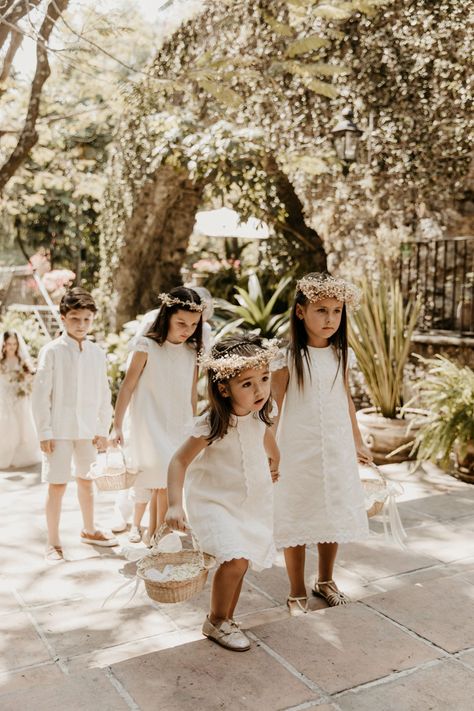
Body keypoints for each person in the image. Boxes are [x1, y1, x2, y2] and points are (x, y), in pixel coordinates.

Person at [166, 334, 279, 652]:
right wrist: (175, 505)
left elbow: (265, 437)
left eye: (264, 379)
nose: (259, 390)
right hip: (213, 501)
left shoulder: (259, 414)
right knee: (235, 560)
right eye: (247, 383)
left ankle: (226, 618)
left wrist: (276, 457)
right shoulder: (212, 424)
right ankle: (216, 621)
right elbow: (178, 461)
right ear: (223, 387)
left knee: (241, 562)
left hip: (248, 501)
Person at [271, 273, 372, 616]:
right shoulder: (286, 357)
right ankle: (296, 588)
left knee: (333, 510)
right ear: (300, 312)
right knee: (297, 510)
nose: (330, 319)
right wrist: (269, 448)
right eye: (321, 311)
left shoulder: (342, 353)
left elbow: (345, 398)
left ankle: (325, 579)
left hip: (336, 443)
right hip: (297, 447)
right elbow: (274, 407)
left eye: (336, 311)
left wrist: (357, 441)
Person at [111, 287, 203, 544]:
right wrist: (117, 425)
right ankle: (159, 539)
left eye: (194, 325)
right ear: (166, 317)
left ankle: (155, 537)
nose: (187, 330)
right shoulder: (146, 346)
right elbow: (127, 386)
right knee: (163, 481)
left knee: (165, 484)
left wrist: (193, 425)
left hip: (179, 423)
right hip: (150, 424)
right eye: (181, 322)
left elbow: (192, 393)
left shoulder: (192, 351)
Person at [32, 287, 117, 562]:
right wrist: (44, 431)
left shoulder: (96, 352)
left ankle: (89, 528)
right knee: (57, 484)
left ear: (93, 320)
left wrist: (102, 429)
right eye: (75, 319)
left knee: (86, 480)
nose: (81, 325)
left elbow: (105, 394)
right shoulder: (52, 352)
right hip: (58, 430)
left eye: (86, 320)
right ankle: (53, 542)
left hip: (88, 431)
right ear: (63, 318)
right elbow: (41, 394)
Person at [0, 330, 41, 469]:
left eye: (14, 344)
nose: (12, 347)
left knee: (22, 425)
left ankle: (20, 456)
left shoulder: (22, 361)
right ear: (4, 344)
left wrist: (25, 382)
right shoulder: (1, 360)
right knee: (6, 426)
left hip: (19, 396)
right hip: (4, 396)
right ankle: (5, 455)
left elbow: (31, 376)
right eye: (9, 343)